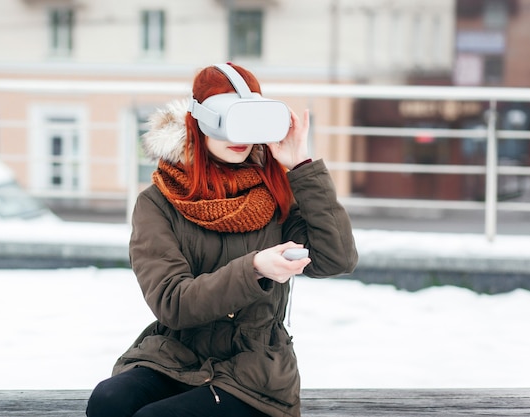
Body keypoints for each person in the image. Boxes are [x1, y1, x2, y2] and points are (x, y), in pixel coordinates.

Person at [86, 63, 358, 417]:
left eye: (250, 122)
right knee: (110, 401)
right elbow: (173, 303)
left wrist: (301, 166)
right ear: (200, 123)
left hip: (254, 371)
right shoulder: (158, 202)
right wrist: (254, 268)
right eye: (228, 121)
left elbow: (337, 259)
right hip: (176, 355)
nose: (240, 137)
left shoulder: (275, 191)